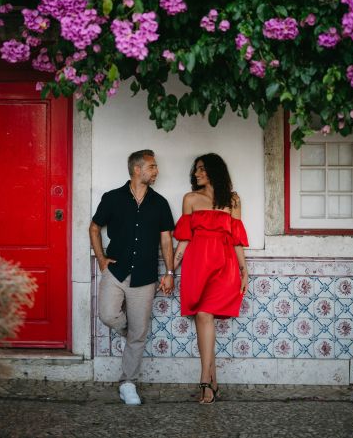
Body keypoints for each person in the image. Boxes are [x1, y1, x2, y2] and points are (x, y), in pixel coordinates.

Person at [89, 149, 175, 405]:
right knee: (108, 315)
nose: (156, 171)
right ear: (137, 169)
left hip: (145, 276)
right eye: (152, 166)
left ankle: (128, 383)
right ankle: (131, 332)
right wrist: (101, 258)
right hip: (115, 271)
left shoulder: (160, 203)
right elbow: (94, 227)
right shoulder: (112, 198)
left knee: (139, 334)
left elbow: (166, 240)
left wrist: (170, 273)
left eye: (156, 166)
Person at [173, 153, 249, 404]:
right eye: (196, 170)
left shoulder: (233, 200)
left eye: (202, 169)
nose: (197, 174)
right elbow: (184, 239)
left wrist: (244, 270)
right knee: (203, 317)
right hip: (197, 264)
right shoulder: (190, 199)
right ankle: (213, 383)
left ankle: (204, 379)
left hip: (224, 265)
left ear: (214, 170)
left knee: (205, 316)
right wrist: (170, 270)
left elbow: (237, 238)